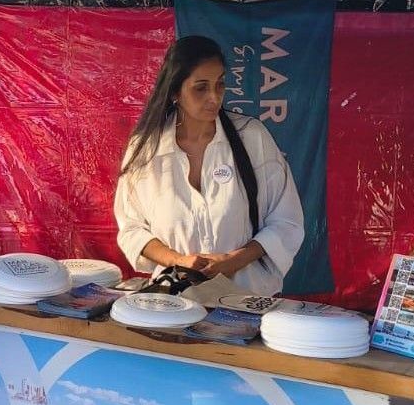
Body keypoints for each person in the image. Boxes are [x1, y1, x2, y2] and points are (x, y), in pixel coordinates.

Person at [114, 35, 304, 296]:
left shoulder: (252, 137)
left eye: (220, 84)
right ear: (174, 92)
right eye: (201, 87)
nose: (214, 97)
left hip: (244, 299)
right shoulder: (146, 149)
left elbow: (286, 221)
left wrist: (233, 260)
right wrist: (177, 260)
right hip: (175, 302)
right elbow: (132, 228)